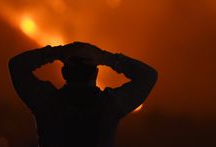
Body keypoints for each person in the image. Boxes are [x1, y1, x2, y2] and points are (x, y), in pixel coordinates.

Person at [8, 41, 158, 147]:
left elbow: (17, 65)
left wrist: (57, 52)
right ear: (96, 73)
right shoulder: (109, 105)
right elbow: (148, 76)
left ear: (64, 72)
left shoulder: (46, 102)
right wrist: (105, 57)